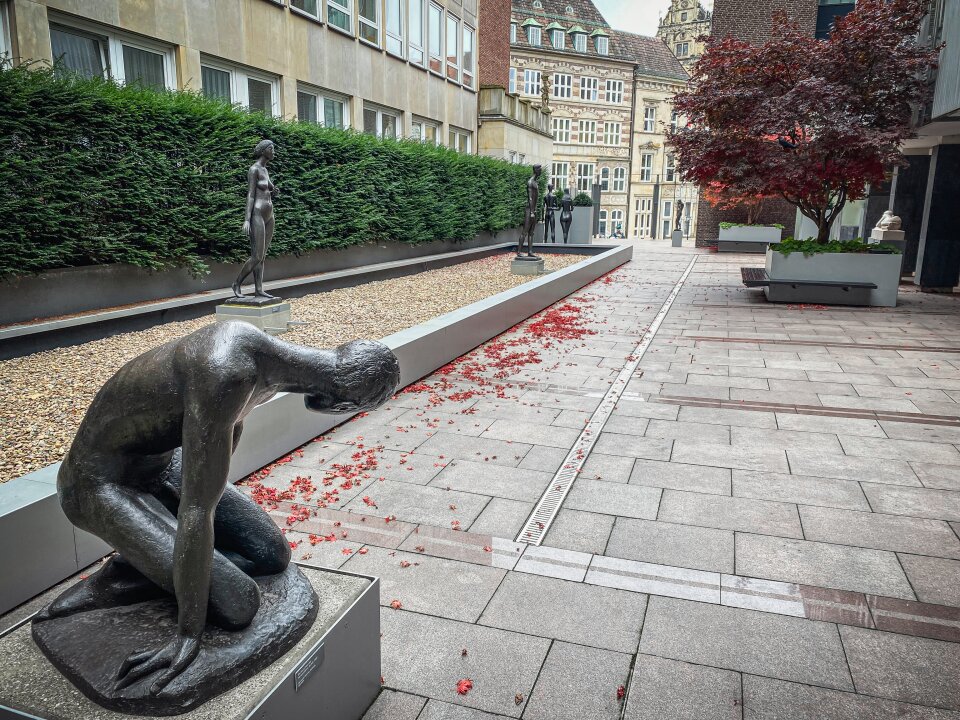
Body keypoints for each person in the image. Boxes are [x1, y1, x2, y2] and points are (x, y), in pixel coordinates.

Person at [37, 322, 400, 695]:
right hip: (99, 484)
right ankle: (131, 569)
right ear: (341, 403)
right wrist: (187, 635)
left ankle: (149, 561)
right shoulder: (228, 373)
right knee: (238, 604)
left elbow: (212, 457)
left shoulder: (271, 362)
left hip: (160, 465)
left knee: (271, 554)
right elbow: (197, 510)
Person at [232, 140, 278, 299]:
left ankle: (258, 289)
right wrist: (246, 219)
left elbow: (269, 188)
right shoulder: (254, 169)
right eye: (271, 148)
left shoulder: (265, 170)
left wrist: (274, 190)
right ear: (263, 150)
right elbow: (251, 195)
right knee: (256, 255)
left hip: (269, 215)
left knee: (263, 255)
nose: (273, 151)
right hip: (257, 213)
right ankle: (237, 283)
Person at [519, 165, 542, 257]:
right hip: (529, 210)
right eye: (540, 170)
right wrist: (532, 212)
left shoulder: (535, 182)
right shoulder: (530, 182)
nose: (541, 172)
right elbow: (530, 198)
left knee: (531, 232)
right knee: (525, 231)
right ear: (536, 170)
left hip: (533, 210)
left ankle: (530, 251)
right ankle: (519, 252)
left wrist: (534, 211)